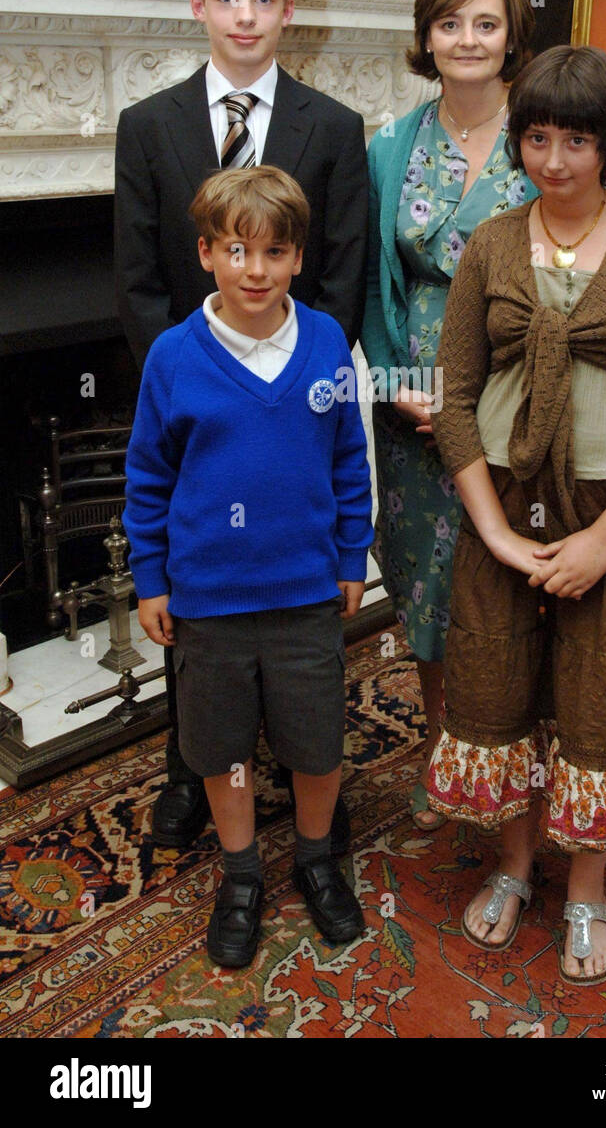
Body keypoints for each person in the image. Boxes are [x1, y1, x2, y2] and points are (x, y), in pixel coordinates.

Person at [427, 45, 606, 984]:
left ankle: (585, 884)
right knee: (501, 690)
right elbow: (456, 396)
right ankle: (513, 868)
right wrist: (497, 533)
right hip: (503, 504)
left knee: (600, 697)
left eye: (577, 140)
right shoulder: (492, 243)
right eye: (537, 136)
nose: (554, 159)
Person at [114, 0, 369, 851]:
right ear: (199, 7)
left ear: (287, 10)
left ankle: (312, 791)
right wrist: (186, 382)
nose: (245, 16)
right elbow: (138, 275)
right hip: (193, 402)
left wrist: (306, 371)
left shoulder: (333, 128)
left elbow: (342, 271)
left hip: (293, 389)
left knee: (294, 641)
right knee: (203, 610)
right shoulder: (147, 124)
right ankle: (197, 768)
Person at [122, 165, 374, 966]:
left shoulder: (327, 343)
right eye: (237, 250)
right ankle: (239, 877)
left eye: (273, 252)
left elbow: (348, 458)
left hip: (304, 591)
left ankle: (313, 859)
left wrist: (350, 552)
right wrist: (152, 577)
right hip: (209, 598)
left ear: (298, 258)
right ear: (206, 253)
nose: (255, 270)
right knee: (221, 745)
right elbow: (148, 474)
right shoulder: (172, 357)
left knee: (315, 741)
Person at [360, 0, 536, 830]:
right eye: (449, 23)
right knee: (427, 592)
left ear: (511, 36)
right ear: (426, 37)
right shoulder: (389, 146)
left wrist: (493, 401)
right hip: (411, 418)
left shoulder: (542, 138)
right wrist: (397, 385)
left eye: (485, 23)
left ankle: (516, 754)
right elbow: (370, 281)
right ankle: (444, 756)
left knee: (505, 592)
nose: (466, 40)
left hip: (514, 414)